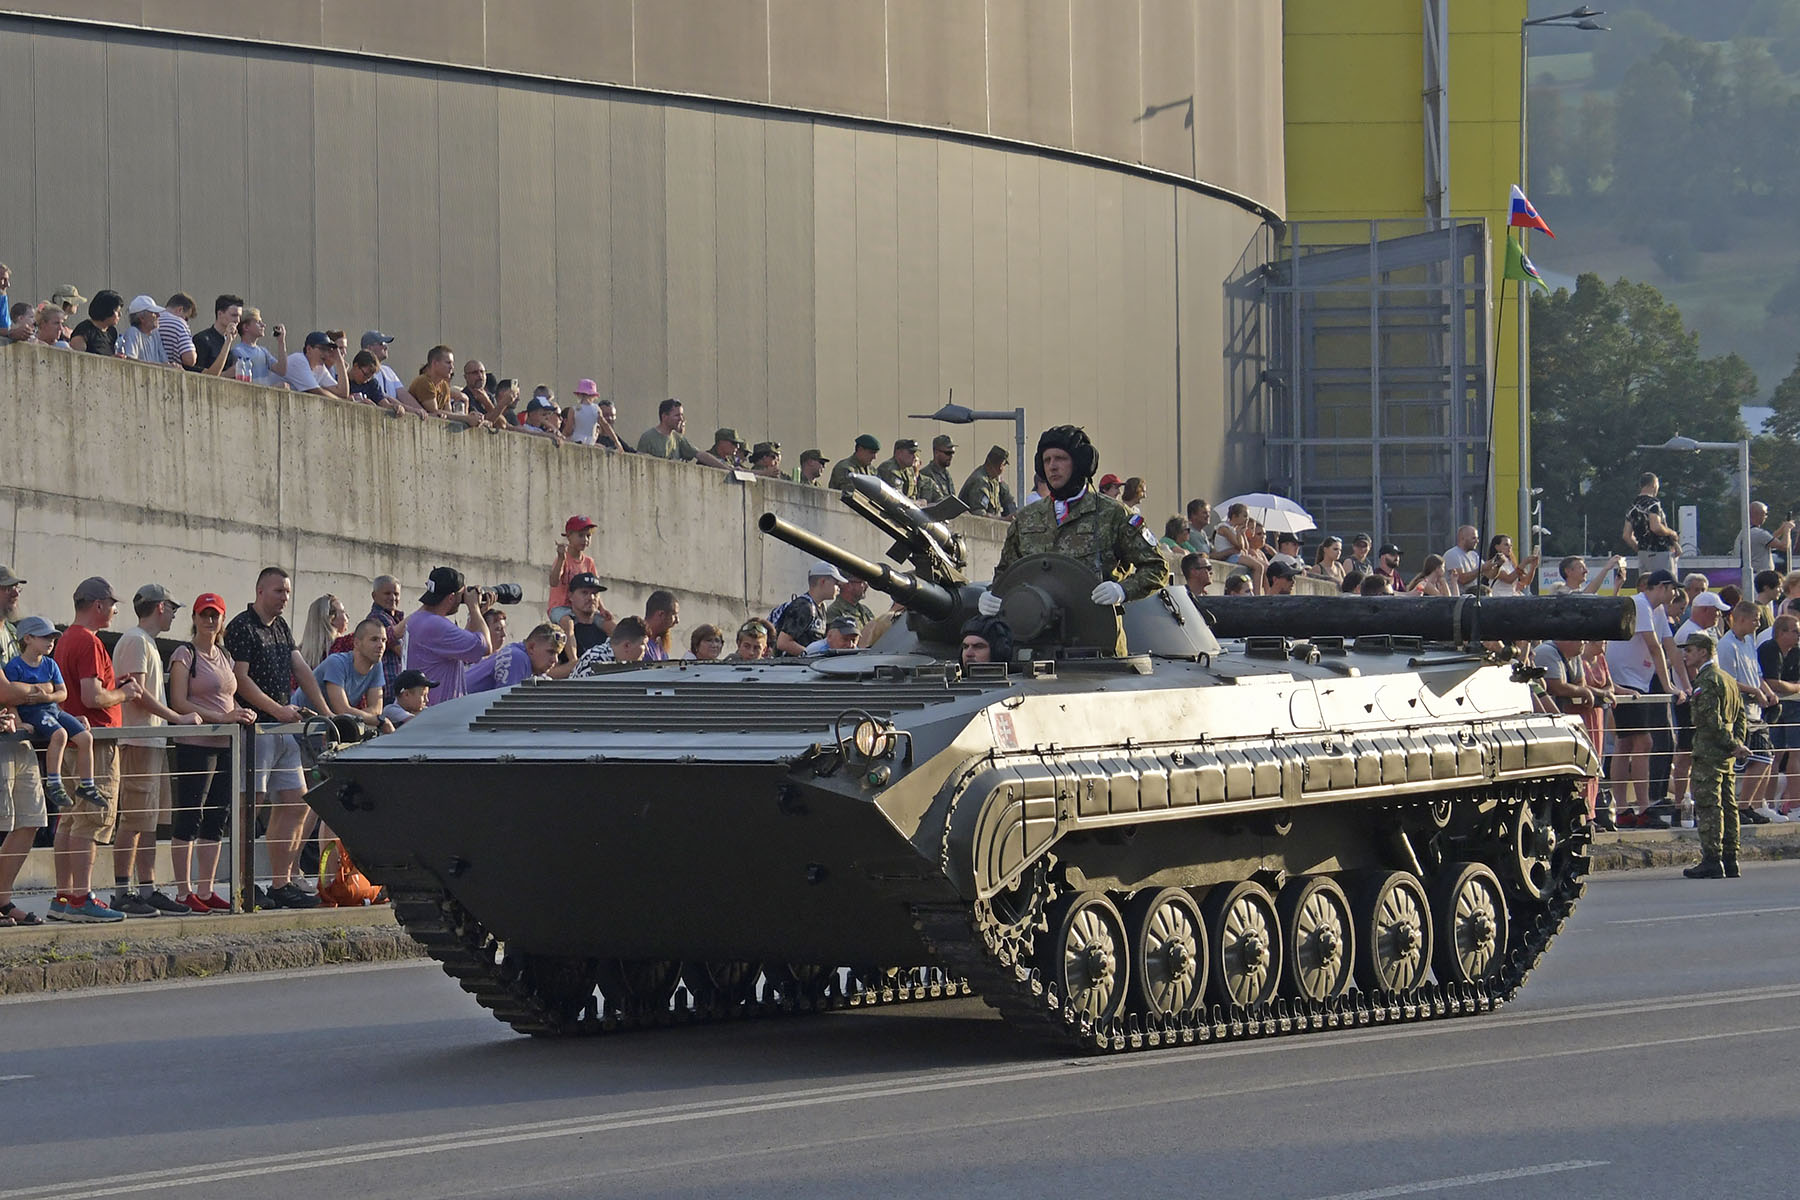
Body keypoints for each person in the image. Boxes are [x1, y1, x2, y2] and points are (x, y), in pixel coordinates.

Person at [979, 426, 1170, 655]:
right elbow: (1006, 573)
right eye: (1047, 460)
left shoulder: (1113, 514)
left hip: (1097, 646)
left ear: (1079, 463)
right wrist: (992, 594)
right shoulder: (1026, 518)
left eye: (1060, 458)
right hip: (1034, 646)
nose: (1052, 466)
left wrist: (1122, 590)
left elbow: (1157, 567)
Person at [224, 567, 333, 908]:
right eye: (278, 591)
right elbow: (240, 679)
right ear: (260, 591)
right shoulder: (242, 627)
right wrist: (276, 709)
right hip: (256, 729)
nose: (285, 597)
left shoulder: (281, 627)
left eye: (287, 591)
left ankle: (281, 882)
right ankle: (243, 884)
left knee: (296, 802)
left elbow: (300, 668)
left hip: (284, 728)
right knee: (251, 805)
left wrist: (327, 712)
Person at [46, 578, 146, 922]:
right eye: (113, 604)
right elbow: (92, 696)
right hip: (96, 745)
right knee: (90, 820)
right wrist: (124, 694)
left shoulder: (65, 639)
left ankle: (64, 897)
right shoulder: (88, 642)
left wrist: (112, 687)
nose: (115, 610)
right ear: (98, 605)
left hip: (71, 743)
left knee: (70, 820)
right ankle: (81, 899)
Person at [110, 585, 204, 917]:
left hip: (152, 741)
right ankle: (123, 891)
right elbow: (134, 692)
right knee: (134, 820)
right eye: (173, 608)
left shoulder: (145, 641)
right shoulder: (135, 640)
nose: (176, 615)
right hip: (138, 741)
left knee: (148, 822)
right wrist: (176, 717)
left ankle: (147, 889)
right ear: (161, 607)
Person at [167, 592, 257, 912]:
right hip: (195, 745)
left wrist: (241, 713)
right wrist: (222, 717)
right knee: (190, 815)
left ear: (222, 619)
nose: (209, 620)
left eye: (214, 615)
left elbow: (228, 697)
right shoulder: (184, 654)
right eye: (204, 614)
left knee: (217, 817)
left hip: (225, 745)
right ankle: (184, 890)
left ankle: (205, 889)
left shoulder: (225, 655)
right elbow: (179, 702)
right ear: (194, 618)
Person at [1605, 570, 1686, 829]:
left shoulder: (1658, 610)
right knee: (1643, 742)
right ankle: (1642, 808)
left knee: (1626, 743)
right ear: (1662, 587)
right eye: (1673, 589)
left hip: (1638, 681)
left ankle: (1624, 809)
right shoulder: (1639, 604)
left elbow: (1670, 646)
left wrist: (1685, 685)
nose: (1675, 594)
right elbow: (1654, 646)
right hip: (1626, 680)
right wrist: (1668, 685)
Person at [4, 615, 93, 814]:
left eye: (53, 638)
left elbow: (63, 693)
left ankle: (87, 784)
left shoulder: (50, 664)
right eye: (45, 637)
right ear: (28, 638)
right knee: (60, 735)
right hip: (34, 713)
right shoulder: (14, 666)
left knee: (86, 737)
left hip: (53, 710)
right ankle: (54, 782)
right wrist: (19, 721)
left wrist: (47, 696)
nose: (51, 642)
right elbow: (9, 698)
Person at [0, 566, 48, 926]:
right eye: (7, 587)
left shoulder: (10, 633)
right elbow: (5, 690)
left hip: (18, 735)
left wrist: (21, 698)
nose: (15, 592)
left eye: (17, 586)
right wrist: (40, 692)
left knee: (31, 819)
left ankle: (2, 901)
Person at [1681, 630, 1750, 879]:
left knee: (1710, 805)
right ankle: (1730, 858)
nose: (1686, 655)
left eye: (1690, 650)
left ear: (1703, 652)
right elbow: (1740, 716)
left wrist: (1731, 744)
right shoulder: (1728, 679)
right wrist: (1737, 743)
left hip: (1710, 751)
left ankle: (1712, 858)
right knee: (1728, 805)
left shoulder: (1707, 679)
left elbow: (1709, 719)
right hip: (1726, 752)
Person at [404, 567, 494, 702]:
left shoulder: (418, 619)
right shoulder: (436, 625)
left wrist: (476, 615)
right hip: (438, 710)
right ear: (451, 597)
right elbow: (484, 647)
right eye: (461, 595)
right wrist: (474, 608)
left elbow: (464, 650)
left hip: (425, 708)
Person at [302, 619, 391, 733]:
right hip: (298, 727)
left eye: (383, 640)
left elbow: (376, 710)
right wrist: (380, 721)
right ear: (356, 643)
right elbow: (342, 710)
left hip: (328, 729)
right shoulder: (336, 662)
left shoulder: (376, 665)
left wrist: (368, 718)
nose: (381, 645)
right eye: (374, 639)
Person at [467, 623, 566, 693]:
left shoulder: (518, 654)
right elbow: (507, 709)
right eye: (551, 652)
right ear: (531, 647)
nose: (555, 660)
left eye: (557, 654)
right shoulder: (517, 658)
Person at [775, 563, 846, 656]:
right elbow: (783, 643)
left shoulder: (822, 607)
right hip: (791, 663)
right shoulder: (804, 607)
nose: (839, 588)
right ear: (823, 581)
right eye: (836, 583)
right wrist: (810, 655)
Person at [638, 399, 728, 466]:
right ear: (664, 416)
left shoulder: (678, 438)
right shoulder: (648, 437)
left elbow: (700, 454)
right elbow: (640, 462)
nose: (681, 419)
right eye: (677, 415)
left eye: (681, 415)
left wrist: (726, 468)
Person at [1624, 472, 1681, 576]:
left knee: (1646, 584)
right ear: (1654, 485)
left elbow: (1626, 536)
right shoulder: (1653, 503)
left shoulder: (1632, 506)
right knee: (1665, 583)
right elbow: (1655, 527)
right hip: (1660, 552)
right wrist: (1672, 533)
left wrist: (1640, 550)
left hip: (1643, 555)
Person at [549, 515, 598, 623]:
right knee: (568, 623)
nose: (585, 539)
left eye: (588, 536)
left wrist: (602, 609)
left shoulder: (589, 562)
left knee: (609, 624)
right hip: (561, 607)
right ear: (569, 536)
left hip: (582, 608)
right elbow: (553, 582)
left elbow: (596, 589)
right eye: (580, 535)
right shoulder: (562, 559)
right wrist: (561, 559)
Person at [558, 572, 615, 660]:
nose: (591, 598)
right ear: (570, 596)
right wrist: (579, 664)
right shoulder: (562, 632)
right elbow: (550, 668)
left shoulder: (605, 632)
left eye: (595, 593)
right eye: (584, 592)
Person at [228, 308, 290, 387]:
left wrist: (281, 342)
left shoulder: (263, 351)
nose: (263, 325)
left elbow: (282, 370)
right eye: (258, 322)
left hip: (264, 393)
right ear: (246, 327)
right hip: (249, 392)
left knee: (284, 386)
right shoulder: (237, 352)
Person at [1733, 502, 1794, 577]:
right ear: (1756, 514)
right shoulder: (1759, 533)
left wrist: (1782, 529)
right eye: (1765, 514)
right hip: (1761, 575)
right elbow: (1784, 546)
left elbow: (1769, 540)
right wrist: (1787, 530)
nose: (1766, 517)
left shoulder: (1746, 531)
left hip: (1752, 574)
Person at [572, 615, 651, 672]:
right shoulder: (596, 661)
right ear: (627, 645)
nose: (647, 649)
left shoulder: (616, 661)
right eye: (643, 644)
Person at [191, 294, 242, 376]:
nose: (238, 320)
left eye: (239, 316)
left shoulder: (227, 341)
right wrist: (227, 374)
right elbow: (199, 376)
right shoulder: (202, 339)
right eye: (234, 315)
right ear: (220, 314)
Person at [960, 445, 1017, 518]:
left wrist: (1013, 515)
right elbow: (979, 515)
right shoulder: (980, 481)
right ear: (1000, 466)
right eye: (1004, 465)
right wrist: (1003, 520)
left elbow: (1008, 501)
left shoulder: (995, 480)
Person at [298, 593, 350, 667]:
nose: (347, 616)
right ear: (331, 619)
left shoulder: (297, 654)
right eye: (343, 612)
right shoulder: (343, 648)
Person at [66, 289, 123, 356]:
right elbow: (77, 357)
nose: (120, 314)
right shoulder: (84, 330)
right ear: (107, 310)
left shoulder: (112, 332)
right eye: (117, 311)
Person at [117, 295, 168, 363]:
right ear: (142, 318)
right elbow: (131, 361)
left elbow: (164, 361)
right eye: (154, 313)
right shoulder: (133, 332)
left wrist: (172, 366)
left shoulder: (155, 333)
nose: (158, 315)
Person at [1442, 526, 1482, 595]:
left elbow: (1490, 574)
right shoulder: (1452, 554)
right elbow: (1462, 579)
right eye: (1473, 538)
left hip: (1473, 597)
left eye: (1477, 538)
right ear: (1462, 538)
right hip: (1458, 598)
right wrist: (1482, 569)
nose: (1477, 541)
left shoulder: (1474, 555)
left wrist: (1496, 564)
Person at [918, 435, 957, 503]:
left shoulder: (946, 474)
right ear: (936, 452)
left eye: (953, 453)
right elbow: (927, 504)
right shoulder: (926, 474)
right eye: (948, 453)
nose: (951, 456)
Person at [643, 590, 680, 661]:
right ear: (661, 614)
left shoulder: (660, 646)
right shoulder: (639, 645)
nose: (677, 620)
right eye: (674, 614)